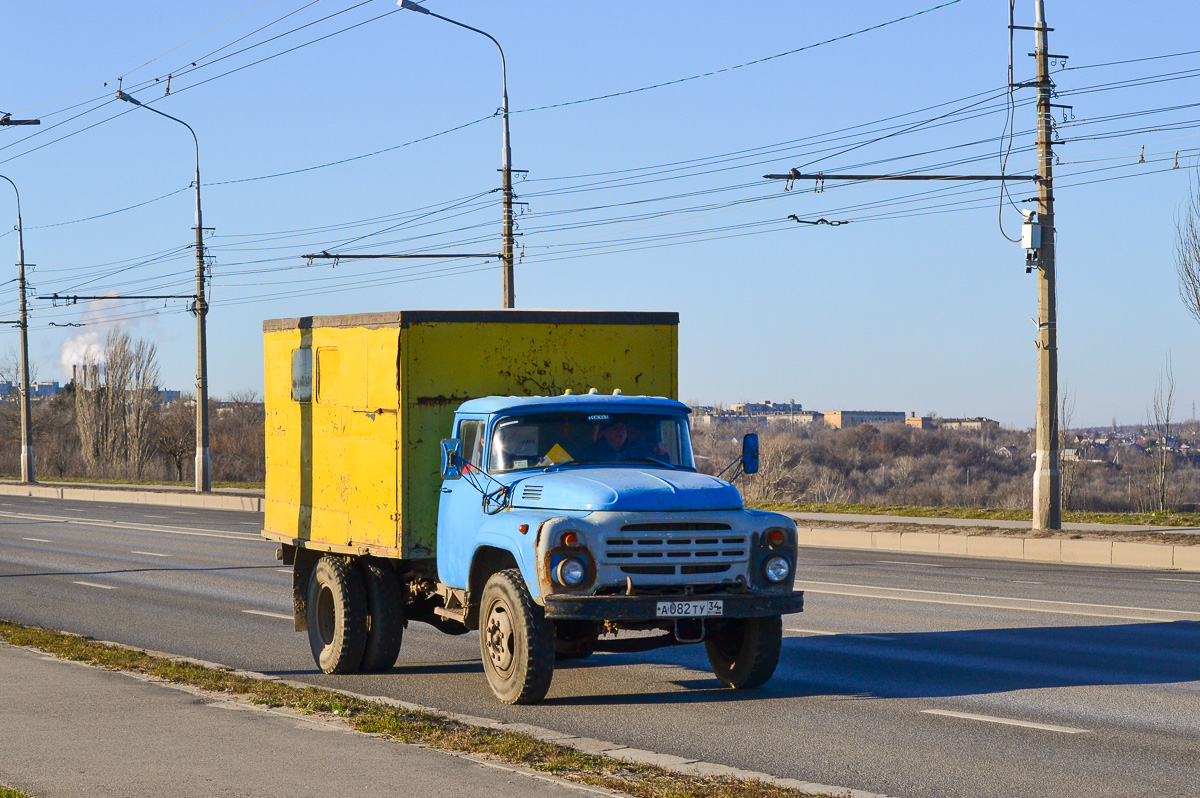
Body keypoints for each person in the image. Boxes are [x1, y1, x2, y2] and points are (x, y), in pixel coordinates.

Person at [584, 417, 668, 462]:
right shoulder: (593, 451)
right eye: (615, 428)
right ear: (605, 432)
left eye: (622, 428)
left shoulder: (639, 449)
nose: (620, 431)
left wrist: (661, 452)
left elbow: (662, 463)